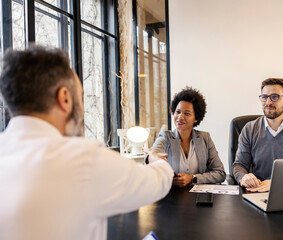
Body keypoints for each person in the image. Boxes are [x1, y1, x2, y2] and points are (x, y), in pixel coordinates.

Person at [0, 46, 174, 240]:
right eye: (81, 97)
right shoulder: (83, 159)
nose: (82, 108)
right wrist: (158, 159)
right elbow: (158, 181)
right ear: (65, 98)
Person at [151, 87, 226, 187]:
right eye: (177, 112)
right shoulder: (165, 137)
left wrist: (193, 178)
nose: (180, 117)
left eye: (187, 113)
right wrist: (152, 157)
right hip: (172, 196)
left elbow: (220, 174)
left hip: (198, 195)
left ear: (196, 118)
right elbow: (153, 154)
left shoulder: (205, 138)